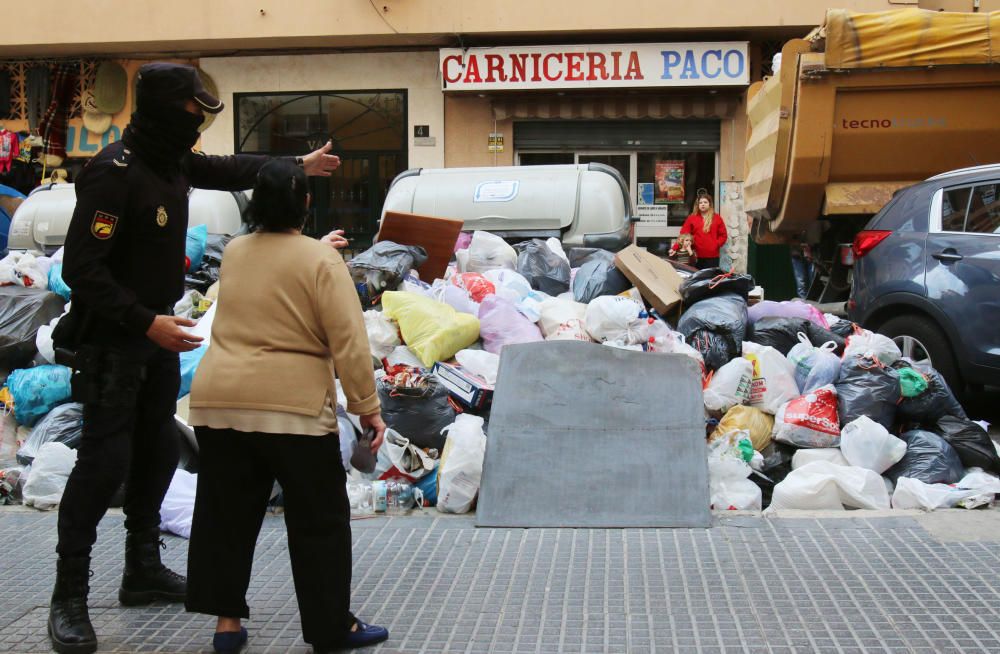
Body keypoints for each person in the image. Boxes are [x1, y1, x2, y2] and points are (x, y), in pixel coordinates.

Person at [48, 62, 344, 654]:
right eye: (190, 114)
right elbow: (82, 269)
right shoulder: (113, 172)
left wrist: (296, 165)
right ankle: (69, 596)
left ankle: (141, 568)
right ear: (164, 110)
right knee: (103, 465)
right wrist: (145, 322)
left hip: (158, 337)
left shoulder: (171, 161)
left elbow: (227, 167)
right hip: (114, 340)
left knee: (158, 452)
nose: (196, 127)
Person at [184, 159, 389, 653]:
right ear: (306, 203)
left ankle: (226, 626)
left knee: (224, 515)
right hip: (293, 409)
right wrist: (368, 407)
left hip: (220, 401)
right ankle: (330, 628)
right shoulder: (322, 260)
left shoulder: (235, 252)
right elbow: (348, 340)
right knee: (319, 521)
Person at [679, 194, 728, 269]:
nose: (703, 204)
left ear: (709, 204)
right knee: (697, 276)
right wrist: (675, 248)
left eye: (705, 202)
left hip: (712, 256)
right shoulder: (692, 218)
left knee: (710, 276)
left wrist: (716, 244)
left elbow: (723, 235)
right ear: (698, 205)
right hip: (695, 255)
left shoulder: (717, 218)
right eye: (700, 203)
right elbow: (683, 235)